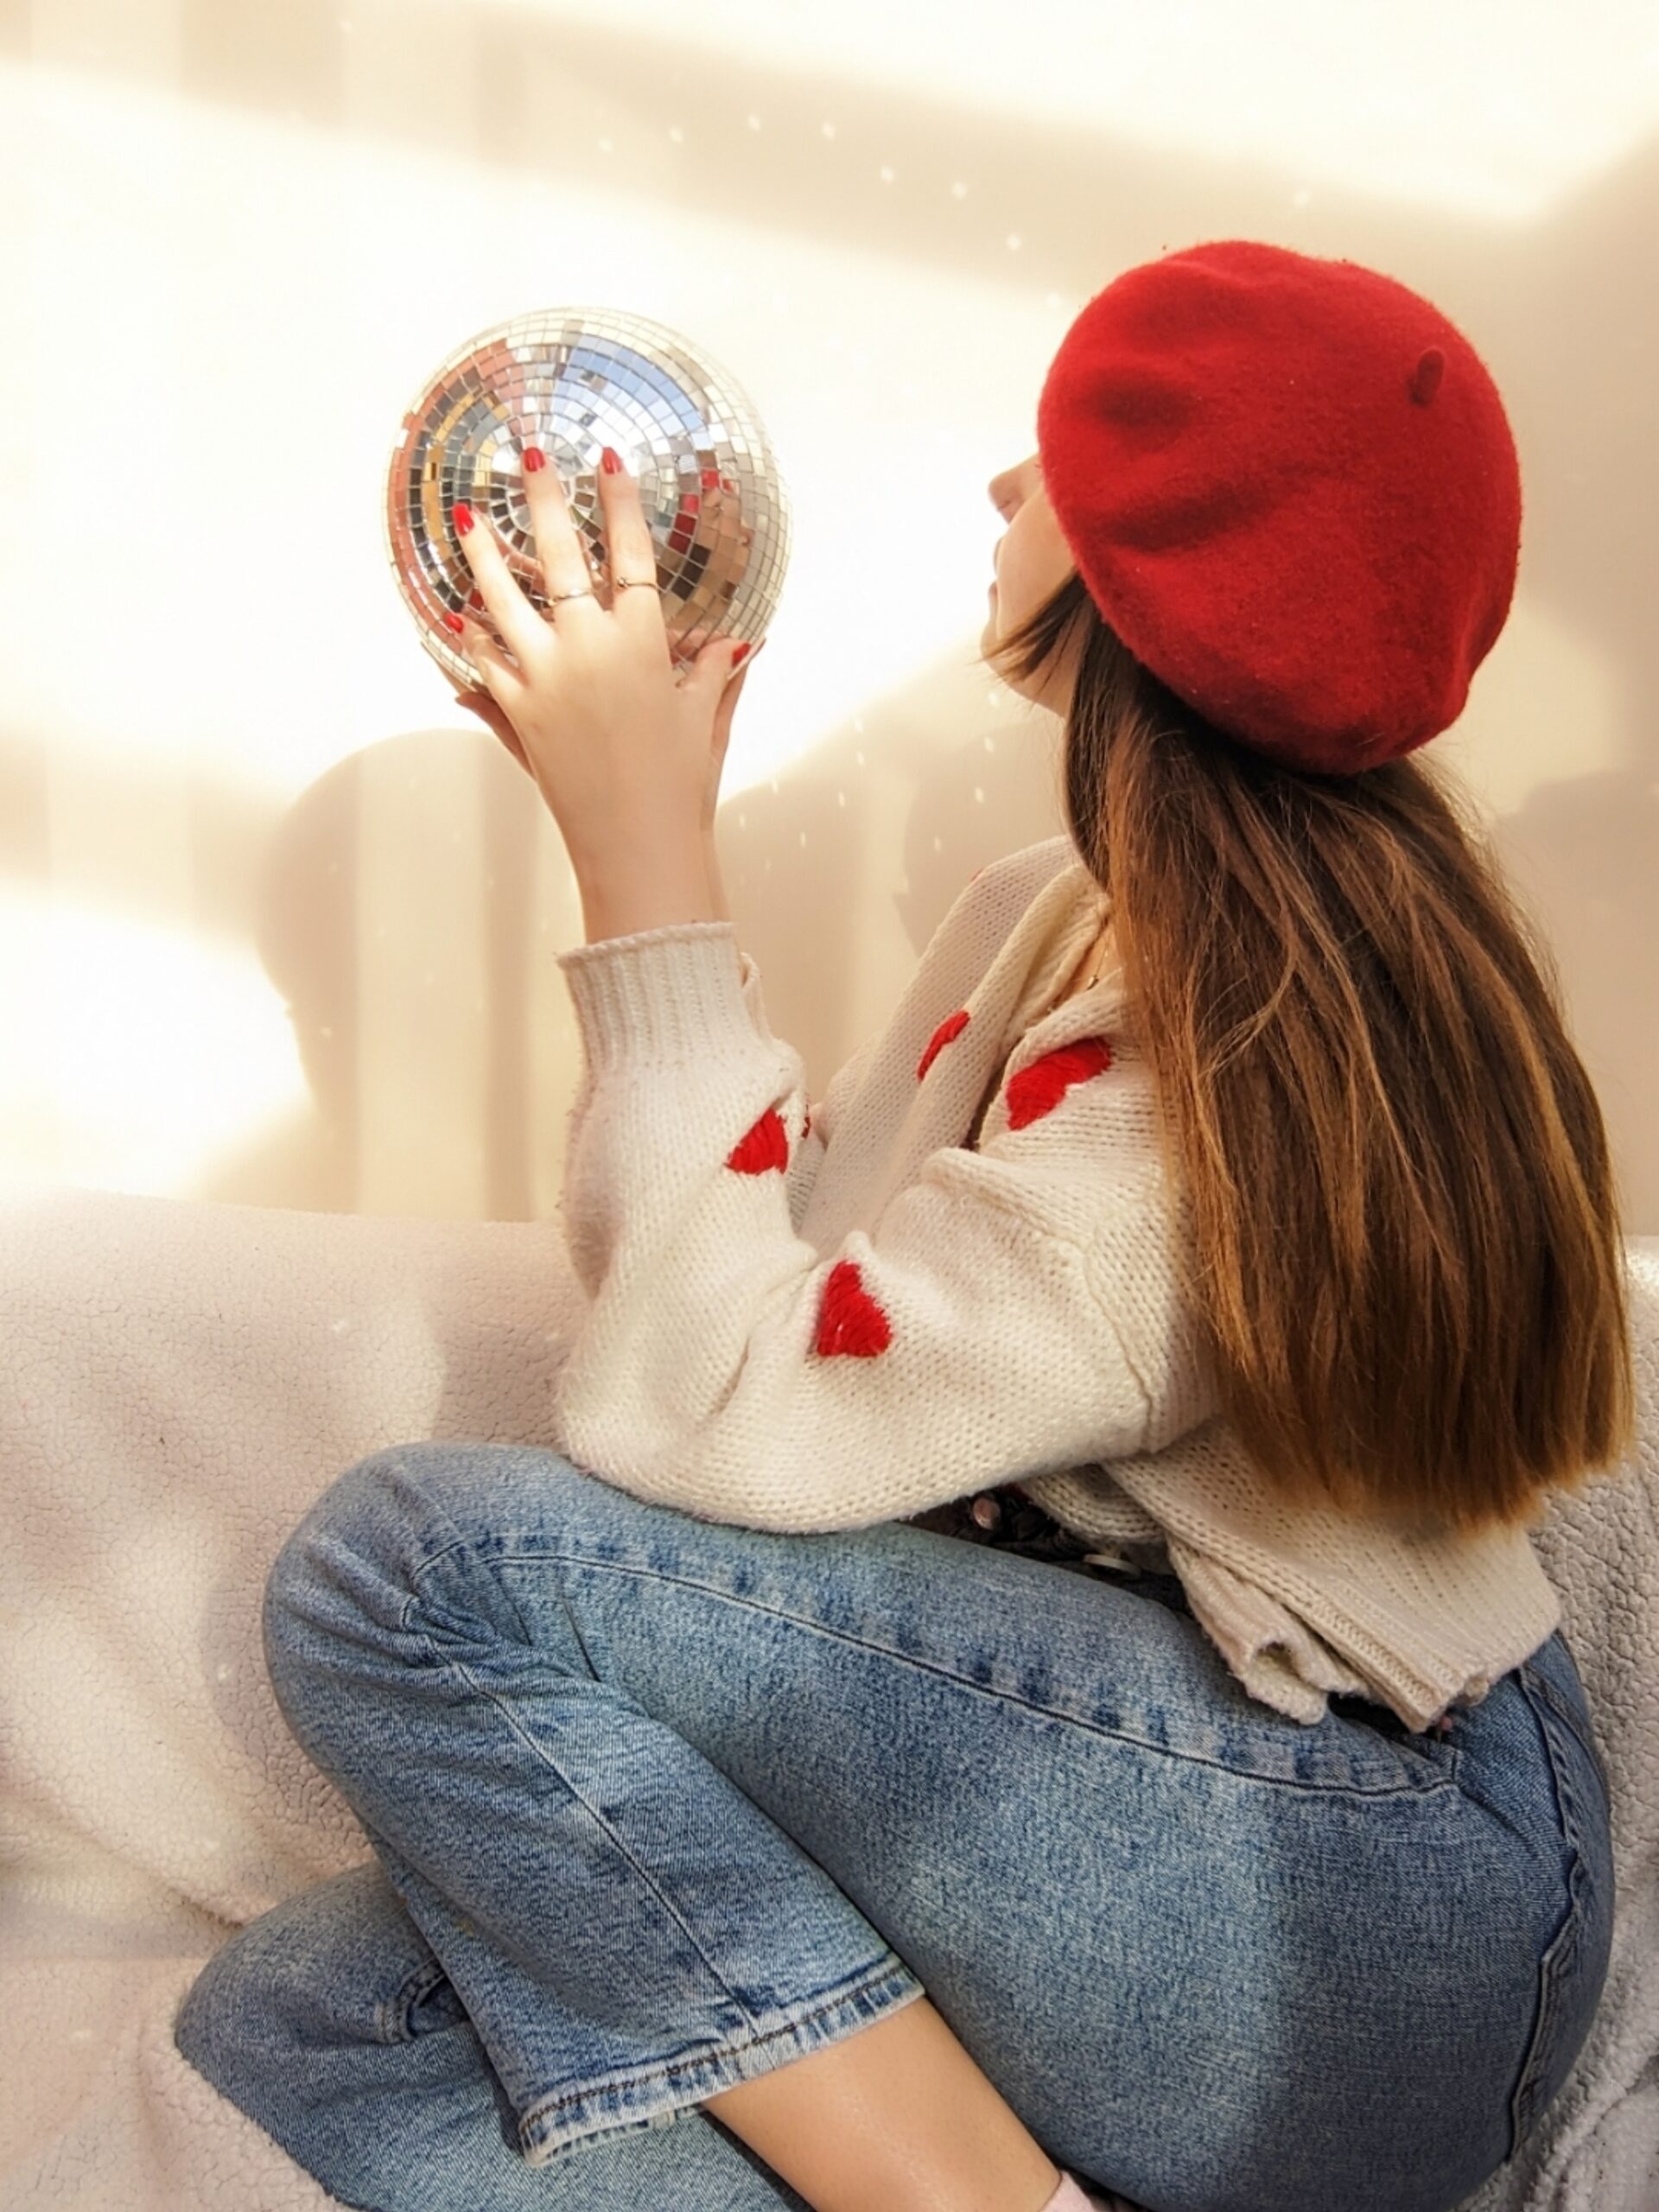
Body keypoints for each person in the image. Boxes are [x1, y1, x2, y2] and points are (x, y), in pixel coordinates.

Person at [172, 240, 1630, 2212]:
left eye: (1065, 465)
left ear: (1161, 570)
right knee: (307, 2017)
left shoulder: (1218, 1076)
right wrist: (651, 827)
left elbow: (708, 1411)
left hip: (1360, 1905)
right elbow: (752, 1311)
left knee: (407, 1571)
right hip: (1162, 1819)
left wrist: (645, 865)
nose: (1003, 496)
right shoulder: (1067, 911)